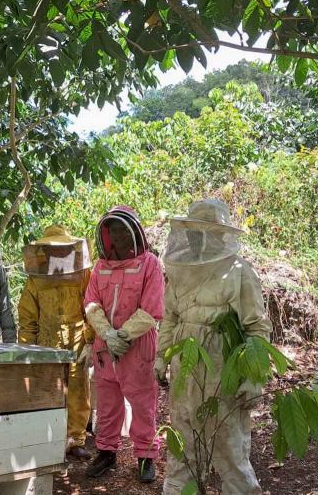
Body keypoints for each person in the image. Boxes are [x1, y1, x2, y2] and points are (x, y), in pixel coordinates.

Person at [156, 199, 272, 495]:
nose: (199, 238)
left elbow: (256, 328)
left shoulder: (240, 272)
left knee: (229, 446)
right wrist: (161, 356)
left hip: (224, 368)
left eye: (205, 232)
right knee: (183, 442)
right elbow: (170, 317)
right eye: (194, 232)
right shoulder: (180, 270)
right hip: (185, 367)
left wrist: (253, 377)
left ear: (220, 234)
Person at [83, 206, 164, 483]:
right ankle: (106, 453)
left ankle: (145, 457)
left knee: (143, 404)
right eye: (113, 230)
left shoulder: (150, 264)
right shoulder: (100, 267)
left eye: (122, 230)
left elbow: (151, 309)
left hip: (137, 348)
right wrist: (108, 334)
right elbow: (92, 304)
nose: (117, 235)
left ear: (134, 232)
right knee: (107, 403)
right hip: (105, 348)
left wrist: (124, 335)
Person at [18, 225, 94, 459]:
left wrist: (91, 340)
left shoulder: (83, 275)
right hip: (47, 342)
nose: (59, 253)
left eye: (63, 249)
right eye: (53, 249)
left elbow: (92, 307)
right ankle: (50, 437)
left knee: (78, 389)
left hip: (77, 339)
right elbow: (28, 318)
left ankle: (76, 439)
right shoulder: (36, 280)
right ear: (45, 252)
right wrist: (27, 348)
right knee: (48, 388)